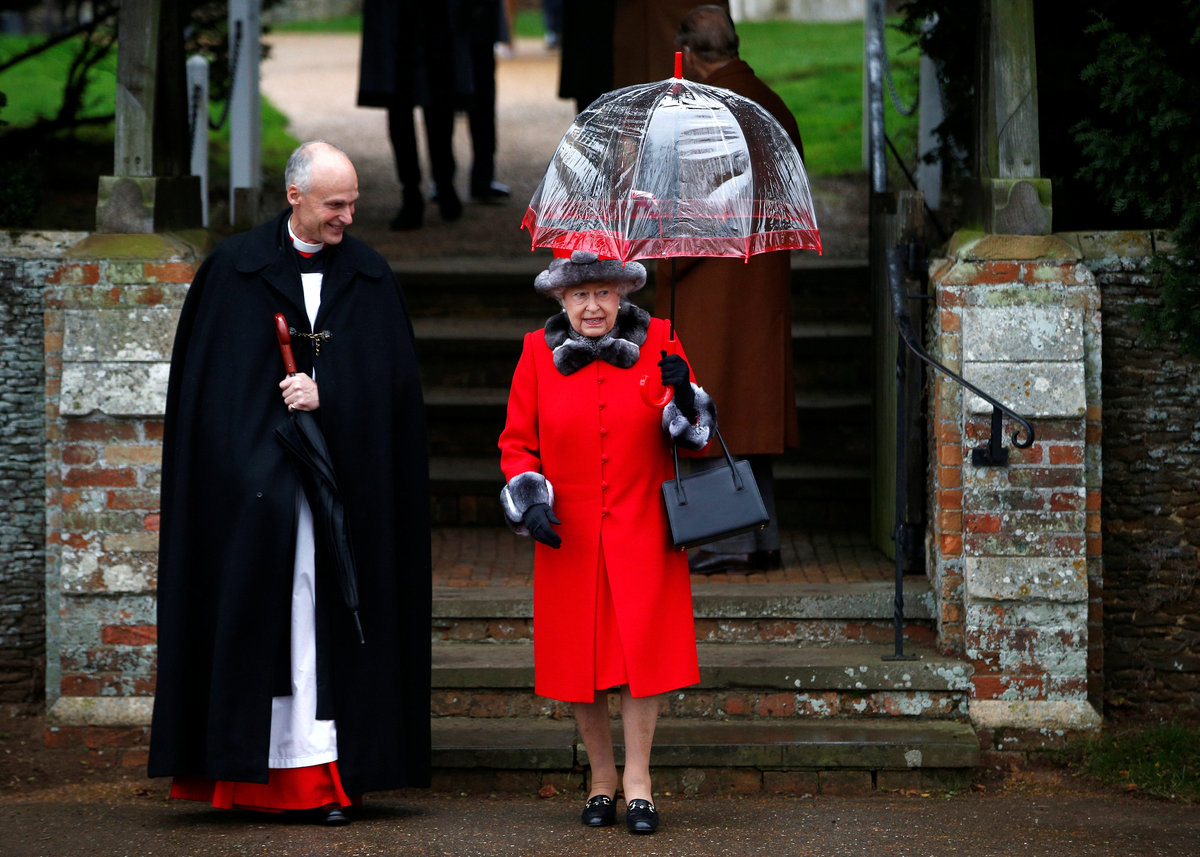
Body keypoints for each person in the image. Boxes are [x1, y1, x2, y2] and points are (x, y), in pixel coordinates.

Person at [148, 141, 432, 825]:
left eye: (353, 203)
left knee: (321, 618)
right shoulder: (233, 272)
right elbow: (210, 402)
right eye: (336, 204)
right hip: (257, 505)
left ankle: (329, 773)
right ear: (295, 196)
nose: (347, 216)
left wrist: (326, 392)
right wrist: (260, 471)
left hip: (342, 496)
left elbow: (394, 392)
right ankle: (252, 776)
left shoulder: (368, 276)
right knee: (265, 617)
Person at [498, 250, 716, 834]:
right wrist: (530, 498)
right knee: (580, 658)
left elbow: (695, 437)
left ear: (622, 294)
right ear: (560, 300)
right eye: (579, 295)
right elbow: (518, 442)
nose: (592, 306)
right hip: (569, 532)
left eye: (603, 293)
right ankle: (601, 780)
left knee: (640, 653)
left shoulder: (662, 340)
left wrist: (687, 396)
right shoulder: (534, 354)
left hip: (645, 525)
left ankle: (639, 782)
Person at [655, 5, 805, 574]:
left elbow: (699, 217)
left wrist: (662, 265)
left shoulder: (708, 115)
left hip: (713, 287)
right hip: (760, 285)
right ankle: (763, 541)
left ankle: (725, 542)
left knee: (711, 408)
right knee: (752, 416)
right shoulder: (771, 104)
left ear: (691, 55)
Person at [358, 0, 462, 229]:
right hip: (400, 22)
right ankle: (414, 193)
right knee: (402, 109)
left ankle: (442, 185)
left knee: (437, 108)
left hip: (432, 20)